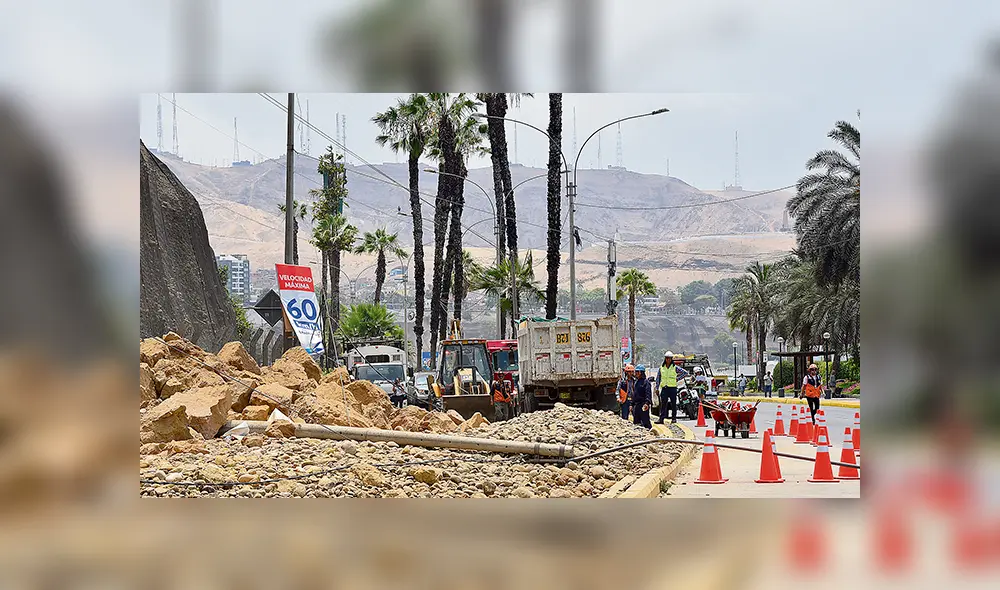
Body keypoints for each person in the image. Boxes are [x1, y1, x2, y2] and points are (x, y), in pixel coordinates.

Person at [655, 351, 688, 424]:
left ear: (671, 359)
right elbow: (658, 378)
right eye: (667, 358)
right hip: (664, 388)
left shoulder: (675, 367)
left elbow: (685, 373)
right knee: (663, 404)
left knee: (673, 404)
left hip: (672, 388)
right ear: (665, 359)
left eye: (669, 358)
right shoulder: (661, 368)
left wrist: (677, 378)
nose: (668, 360)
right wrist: (657, 388)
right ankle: (661, 419)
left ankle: (674, 418)